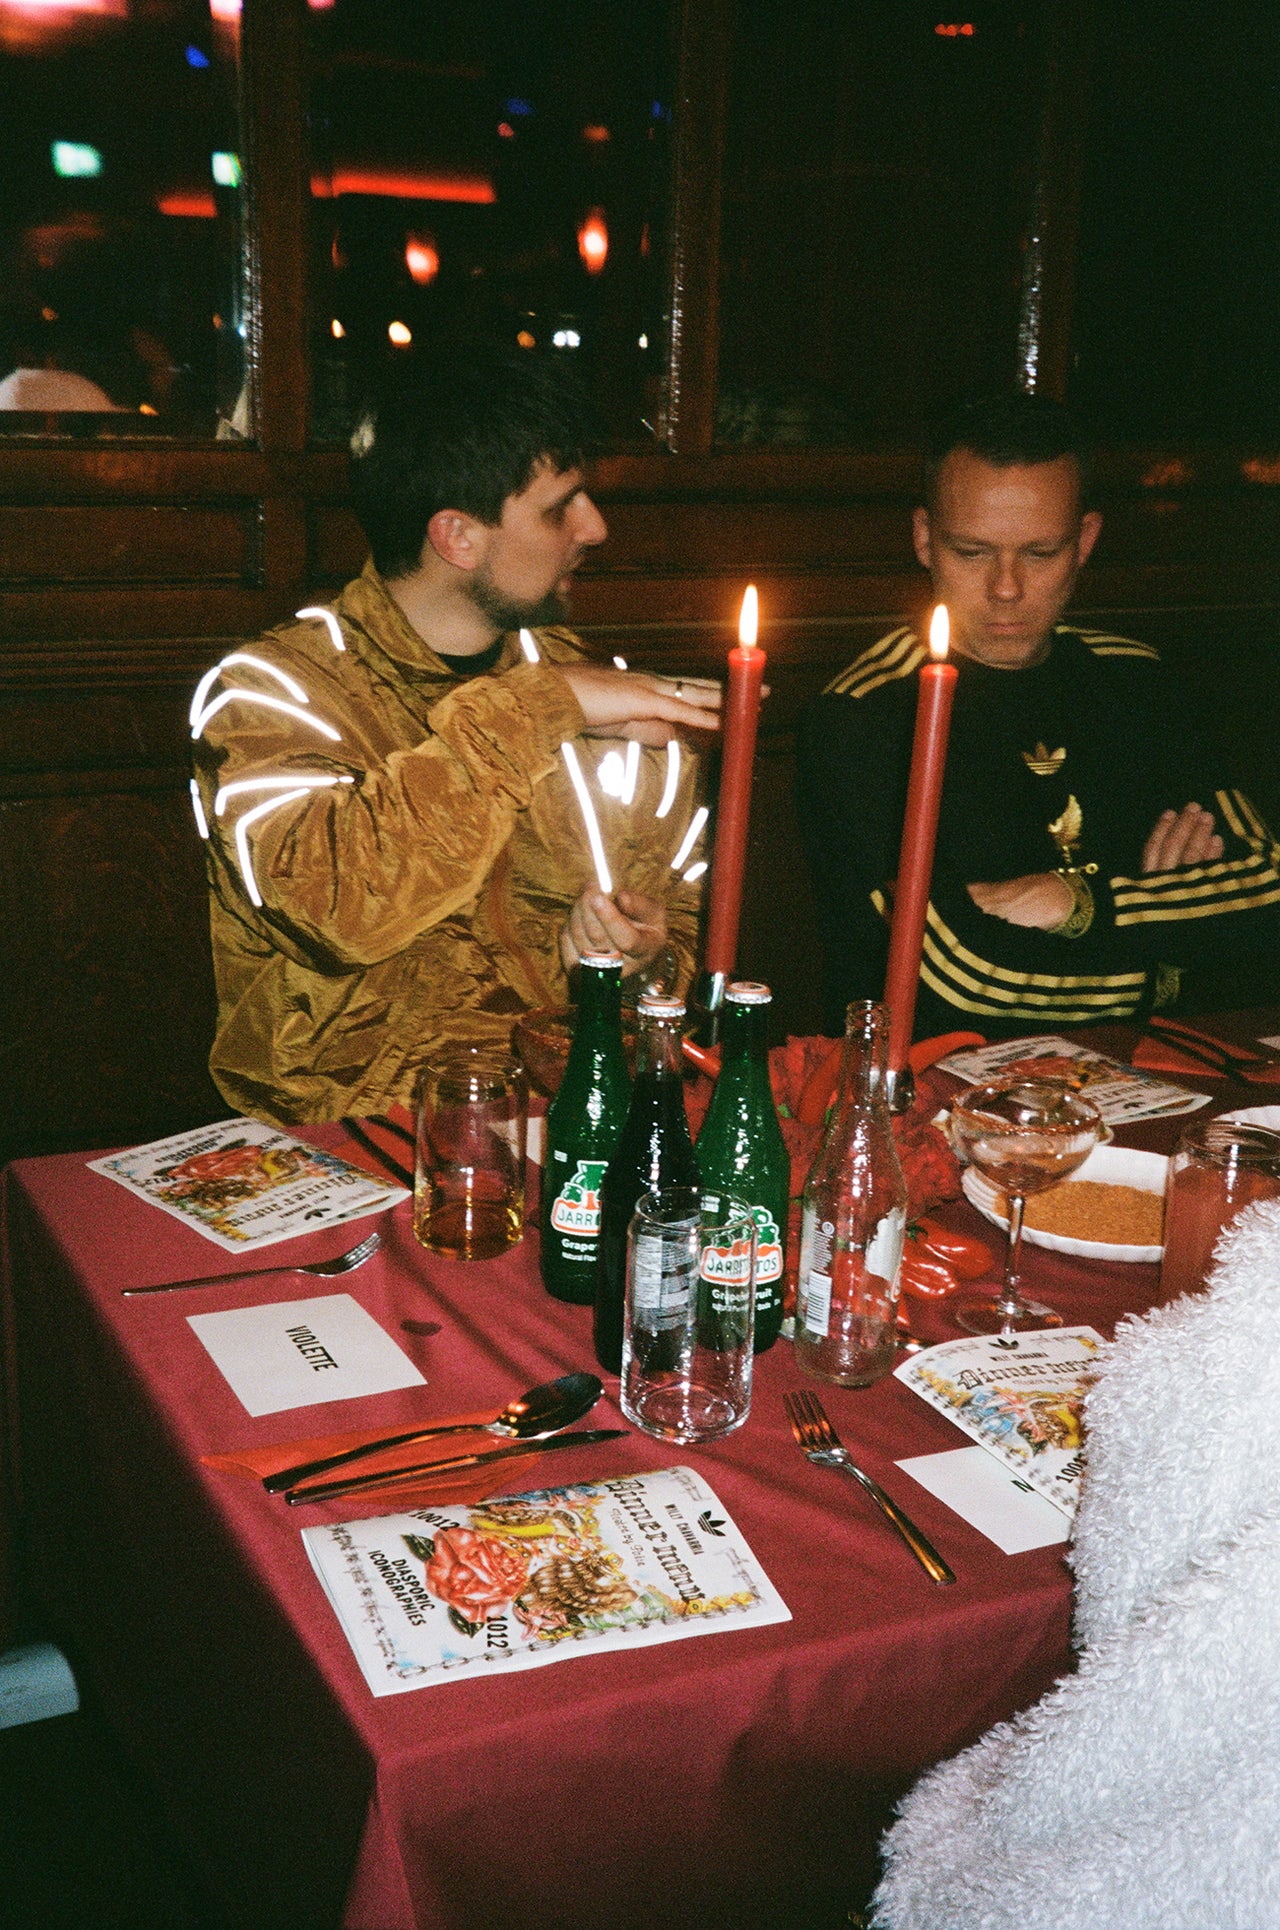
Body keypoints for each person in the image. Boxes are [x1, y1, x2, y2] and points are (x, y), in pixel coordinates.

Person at [190, 340, 718, 1123]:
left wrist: (643, 967)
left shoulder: (598, 694)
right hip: (352, 1137)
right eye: (561, 506)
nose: (596, 528)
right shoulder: (275, 694)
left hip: (564, 1121)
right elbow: (338, 911)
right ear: (457, 537)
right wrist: (538, 708)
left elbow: (684, 936)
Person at [796, 391, 1280, 1039]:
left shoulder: (1137, 679)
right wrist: (1171, 961)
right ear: (924, 540)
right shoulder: (863, 717)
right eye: (971, 552)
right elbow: (960, 978)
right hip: (943, 1076)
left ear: (1085, 542)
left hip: (1148, 1066)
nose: (1006, 588)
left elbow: (1268, 887)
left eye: (1041, 552)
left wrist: (1075, 905)